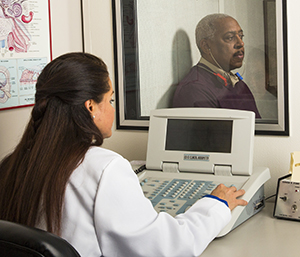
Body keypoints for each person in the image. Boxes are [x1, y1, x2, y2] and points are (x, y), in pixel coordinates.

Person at [0, 52, 247, 257]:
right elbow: (167, 248)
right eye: (110, 100)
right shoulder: (104, 168)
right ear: (90, 107)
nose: (112, 109)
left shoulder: (12, 164)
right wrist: (216, 205)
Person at [172, 13, 261, 118]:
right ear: (206, 46)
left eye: (241, 36)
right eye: (230, 37)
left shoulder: (237, 84)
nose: (241, 43)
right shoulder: (194, 89)